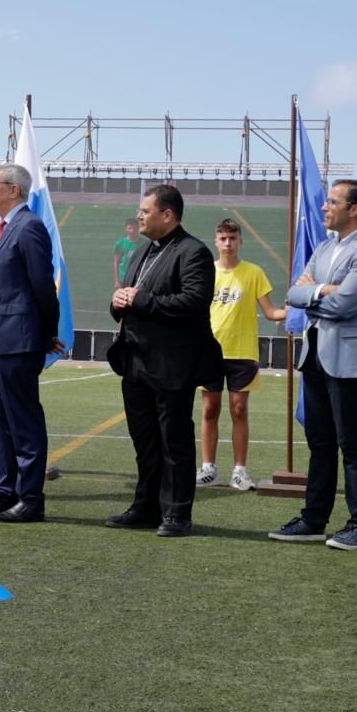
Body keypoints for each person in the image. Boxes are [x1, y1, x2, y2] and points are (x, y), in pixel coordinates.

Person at [270, 179, 357, 551]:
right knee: (319, 442)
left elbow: (346, 306)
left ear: (354, 209)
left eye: (332, 202)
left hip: (352, 361)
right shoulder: (324, 248)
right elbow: (292, 294)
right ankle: (313, 519)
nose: (325, 207)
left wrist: (313, 292)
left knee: (351, 443)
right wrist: (322, 289)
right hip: (316, 355)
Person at [104, 184, 220, 537]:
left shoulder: (193, 252)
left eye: (145, 211)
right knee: (145, 443)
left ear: (167, 215)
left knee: (175, 443)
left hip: (172, 365)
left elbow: (193, 303)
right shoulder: (140, 252)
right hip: (134, 361)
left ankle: (177, 514)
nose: (139, 216)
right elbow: (127, 297)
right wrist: (118, 300)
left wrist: (139, 301)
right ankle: (145, 507)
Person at [0, 164, 62, 525]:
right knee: (2, 423)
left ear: (14, 190)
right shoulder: (3, 230)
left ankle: (31, 499)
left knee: (24, 424)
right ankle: (6, 493)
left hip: (18, 341)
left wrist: (47, 333)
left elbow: (42, 286)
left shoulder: (29, 227)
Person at [198, 218, 286, 491]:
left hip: (243, 351)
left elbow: (271, 312)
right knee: (210, 409)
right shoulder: (205, 272)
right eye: (223, 238)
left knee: (239, 409)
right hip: (209, 351)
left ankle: (240, 471)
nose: (228, 243)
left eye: (232, 238)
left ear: (240, 241)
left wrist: (293, 312)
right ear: (216, 241)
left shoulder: (254, 272)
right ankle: (209, 470)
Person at [112, 217, 140, 290]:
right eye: (130, 228)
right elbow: (116, 263)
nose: (132, 231)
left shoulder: (145, 243)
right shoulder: (120, 244)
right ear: (126, 229)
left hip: (139, 277)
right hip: (123, 278)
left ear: (138, 228)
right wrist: (117, 281)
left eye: (135, 228)